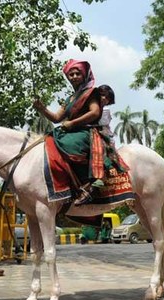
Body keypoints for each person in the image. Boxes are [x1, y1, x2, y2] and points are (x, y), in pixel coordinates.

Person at [33, 59, 127, 205]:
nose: (75, 76)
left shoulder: (91, 93)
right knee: (50, 142)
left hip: (87, 131)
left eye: (78, 73)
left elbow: (95, 113)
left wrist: (73, 123)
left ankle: (90, 185)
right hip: (70, 130)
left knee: (69, 144)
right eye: (71, 74)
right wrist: (42, 108)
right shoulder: (70, 98)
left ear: (84, 76)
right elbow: (57, 118)